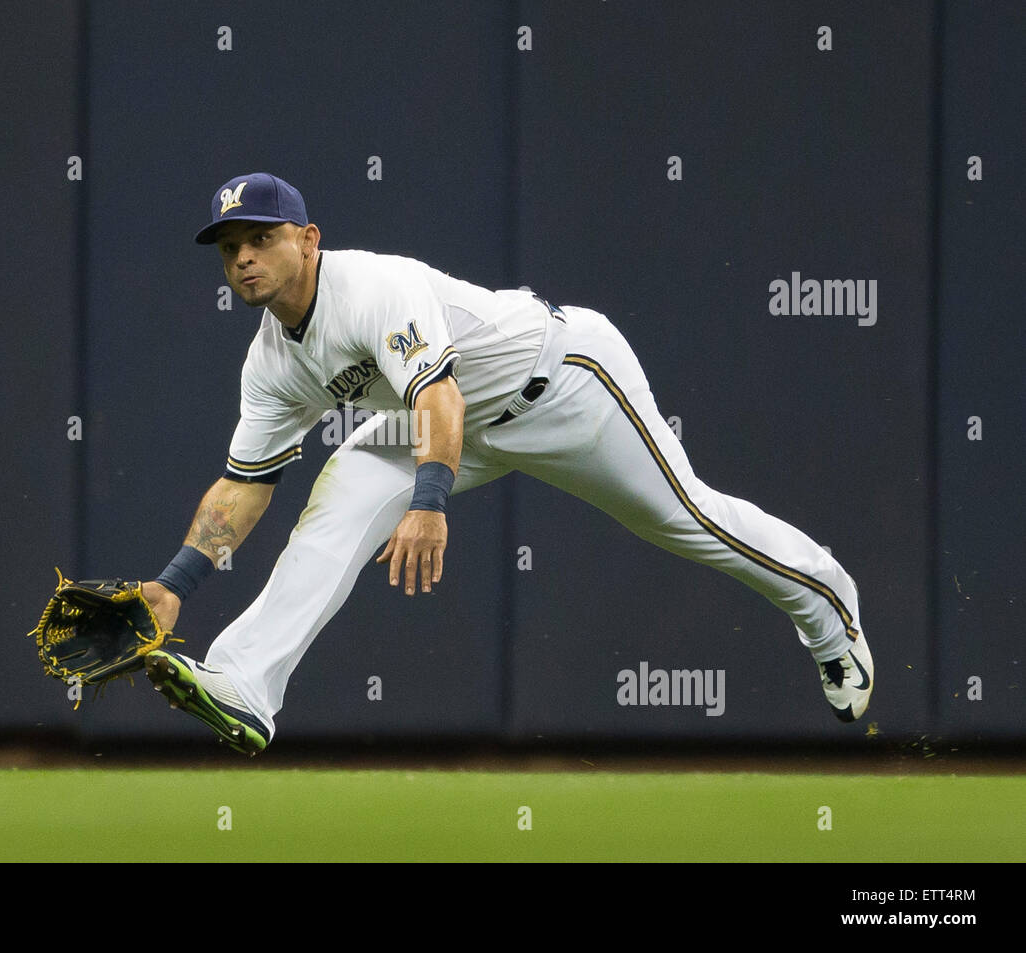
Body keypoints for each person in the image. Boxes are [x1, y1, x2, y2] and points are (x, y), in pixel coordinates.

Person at [138, 172, 873, 754]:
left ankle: (830, 609)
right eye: (229, 246)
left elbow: (442, 396)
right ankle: (243, 681)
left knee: (688, 518)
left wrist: (429, 501)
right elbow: (246, 483)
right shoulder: (269, 362)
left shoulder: (370, 287)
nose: (243, 257)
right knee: (338, 502)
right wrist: (176, 583)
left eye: (261, 237)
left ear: (308, 239)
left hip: (563, 383)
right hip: (437, 423)